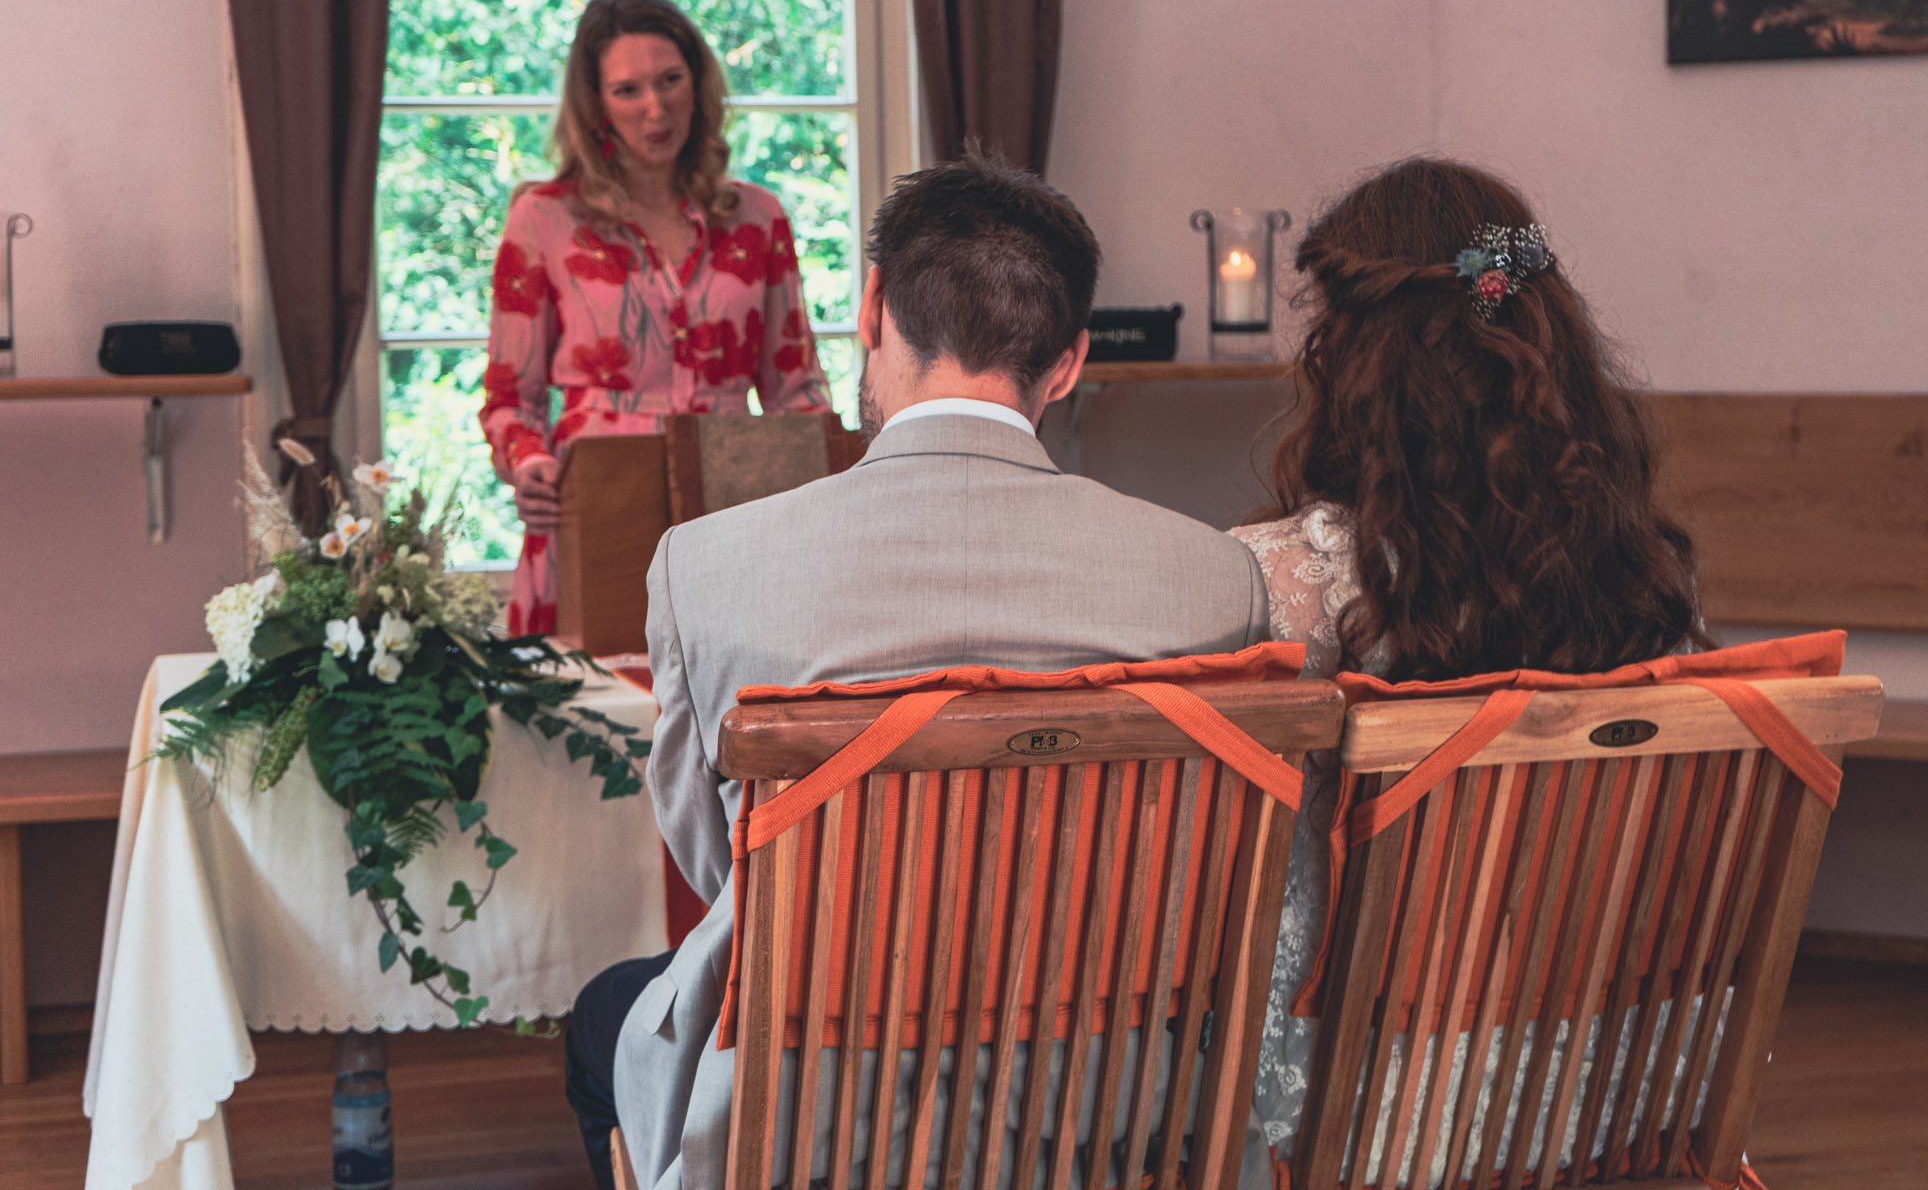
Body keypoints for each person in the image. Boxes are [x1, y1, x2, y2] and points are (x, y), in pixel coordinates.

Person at [565, 153, 1273, 1190]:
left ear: (871, 310)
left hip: (807, 1116)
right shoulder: (1214, 581)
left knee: (600, 1021)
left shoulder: (704, 568)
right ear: (1069, 363)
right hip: (1100, 1110)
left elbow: (719, 869)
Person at [1228, 157, 1710, 1155]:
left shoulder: (1282, 584)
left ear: (1348, 353)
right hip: (1599, 1080)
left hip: (1359, 1090)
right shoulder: (1647, 579)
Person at [480, 0, 830, 636]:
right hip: (593, 512)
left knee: (731, 697)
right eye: (628, 90)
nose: (656, 108)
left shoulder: (758, 217)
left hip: (732, 513)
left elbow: (797, 391)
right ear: (595, 105)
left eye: (671, 80)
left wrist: (828, 497)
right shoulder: (543, 219)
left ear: (698, 83)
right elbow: (509, 400)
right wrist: (528, 466)